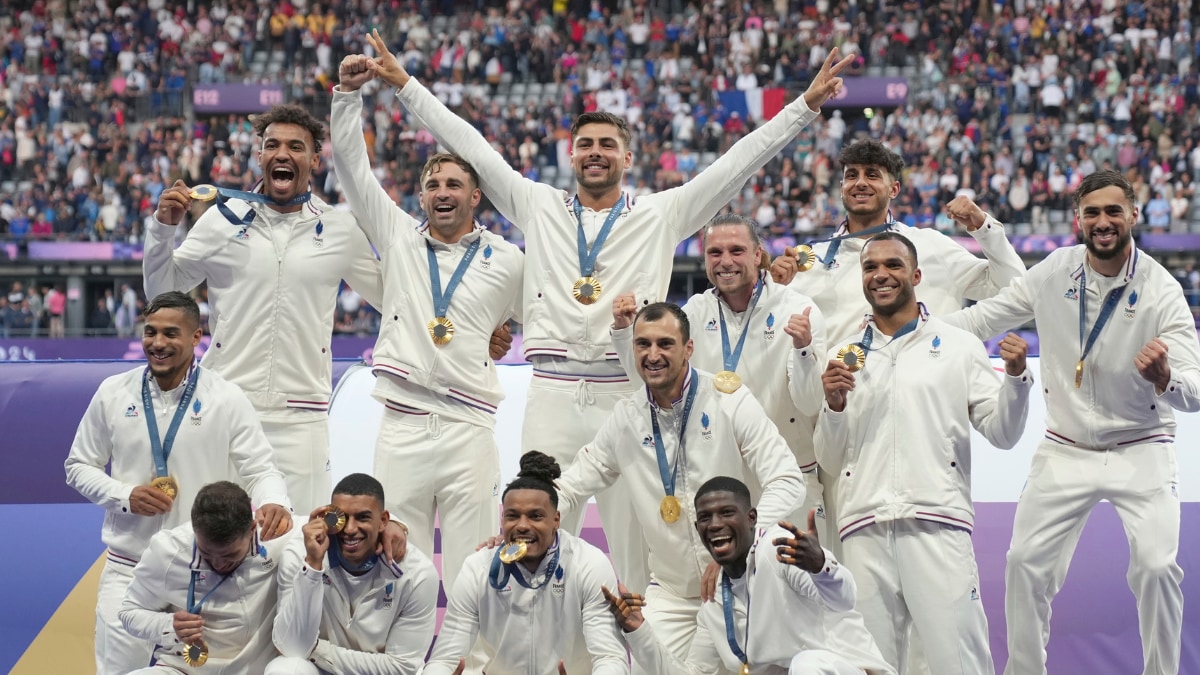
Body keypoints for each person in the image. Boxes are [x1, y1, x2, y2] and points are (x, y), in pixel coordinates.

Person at [362, 28, 850, 595]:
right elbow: (472, 147)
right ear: (571, 154)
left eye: (606, 145)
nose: (595, 153)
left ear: (626, 156)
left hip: (627, 394)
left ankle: (646, 647)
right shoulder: (536, 204)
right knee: (538, 535)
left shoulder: (659, 214)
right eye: (585, 144)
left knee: (640, 542)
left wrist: (803, 108)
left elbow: (735, 166)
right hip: (551, 394)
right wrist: (406, 88)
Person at [941, 169, 1200, 675]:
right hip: (1066, 448)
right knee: (1023, 566)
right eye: (1092, 213)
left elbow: (1194, 392)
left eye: (1113, 211)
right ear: (1078, 219)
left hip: (1142, 448)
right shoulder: (1056, 271)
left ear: (1134, 216)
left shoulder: (1162, 290)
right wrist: (909, 329)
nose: (1103, 222)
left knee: (1156, 567)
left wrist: (1165, 379)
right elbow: (982, 319)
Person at [330, 54, 523, 598]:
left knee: (476, 565)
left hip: (469, 429)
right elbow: (353, 169)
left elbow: (548, 311)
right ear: (421, 196)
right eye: (433, 183)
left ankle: (476, 662)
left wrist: (500, 327)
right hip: (404, 425)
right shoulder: (397, 237)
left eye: (454, 183)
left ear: (475, 195)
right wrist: (347, 98)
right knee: (395, 560)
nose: (443, 191)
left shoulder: (507, 259)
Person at [144, 103, 385, 514]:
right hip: (227, 407)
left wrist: (478, 327)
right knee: (218, 538)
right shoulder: (221, 220)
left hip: (302, 417)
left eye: (296, 146)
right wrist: (163, 230)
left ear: (313, 159)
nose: (282, 154)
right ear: (259, 156)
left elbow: (395, 298)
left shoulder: (339, 228)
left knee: (297, 546)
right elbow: (163, 293)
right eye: (272, 145)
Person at [815, 232, 1033, 675]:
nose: (881, 274)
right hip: (864, 530)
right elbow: (832, 461)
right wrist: (833, 407)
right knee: (869, 667)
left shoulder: (958, 346)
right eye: (871, 267)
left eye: (893, 265)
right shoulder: (845, 356)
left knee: (961, 662)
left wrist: (1014, 381)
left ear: (916, 275)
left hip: (937, 525)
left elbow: (1004, 433)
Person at [555, 302, 807, 669]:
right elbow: (574, 483)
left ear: (688, 348)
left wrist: (739, 552)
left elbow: (787, 480)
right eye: (642, 344)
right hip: (670, 593)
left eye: (664, 344)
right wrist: (518, 526)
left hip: (738, 585)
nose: (652, 355)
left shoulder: (729, 400)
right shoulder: (626, 418)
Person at [65, 291, 293, 675]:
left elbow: (260, 467)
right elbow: (77, 465)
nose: (158, 343)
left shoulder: (226, 398)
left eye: (171, 333)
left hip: (204, 573)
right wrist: (124, 495)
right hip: (129, 567)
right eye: (150, 332)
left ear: (195, 337)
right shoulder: (113, 392)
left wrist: (274, 501)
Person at [611, 214, 828, 529]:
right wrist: (622, 332)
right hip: (717, 480)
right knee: (718, 579)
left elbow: (810, 404)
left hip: (786, 475)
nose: (725, 261)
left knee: (792, 576)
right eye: (715, 252)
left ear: (757, 255)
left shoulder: (798, 311)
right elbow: (653, 385)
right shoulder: (693, 313)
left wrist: (804, 349)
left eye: (736, 251)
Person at [606, 476, 895, 675]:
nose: (715, 524)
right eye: (705, 518)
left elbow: (844, 600)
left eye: (726, 512)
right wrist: (638, 629)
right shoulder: (714, 602)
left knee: (807, 664)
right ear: (697, 529)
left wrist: (821, 566)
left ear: (752, 518)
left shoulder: (777, 549)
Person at [423, 451, 628, 675]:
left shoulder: (588, 564)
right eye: (512, 516)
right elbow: (444, 657)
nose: (522, 525)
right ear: (503, 520)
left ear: (556, 519)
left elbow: (609, 656)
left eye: (535, 516)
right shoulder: (478, 568)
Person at [269, 473, 439, 675]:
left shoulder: (418, 574)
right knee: (286, 669)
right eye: (340, 518)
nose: (349, 529)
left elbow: (401, 667)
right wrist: (313, 565)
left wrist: (316, 648)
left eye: (362, 517)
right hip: (321, 670)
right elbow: (291, 647)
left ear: (384, 520)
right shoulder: (300, 554)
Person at [119, 481, 293, 673]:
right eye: (206, 554)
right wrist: (168, 626)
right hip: (183, 669)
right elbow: (129, 612)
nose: (218, 564)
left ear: (252, 530)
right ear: (195, 531)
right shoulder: (168, 550)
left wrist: (279, 502)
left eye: (229, 555)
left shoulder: (278, 538)